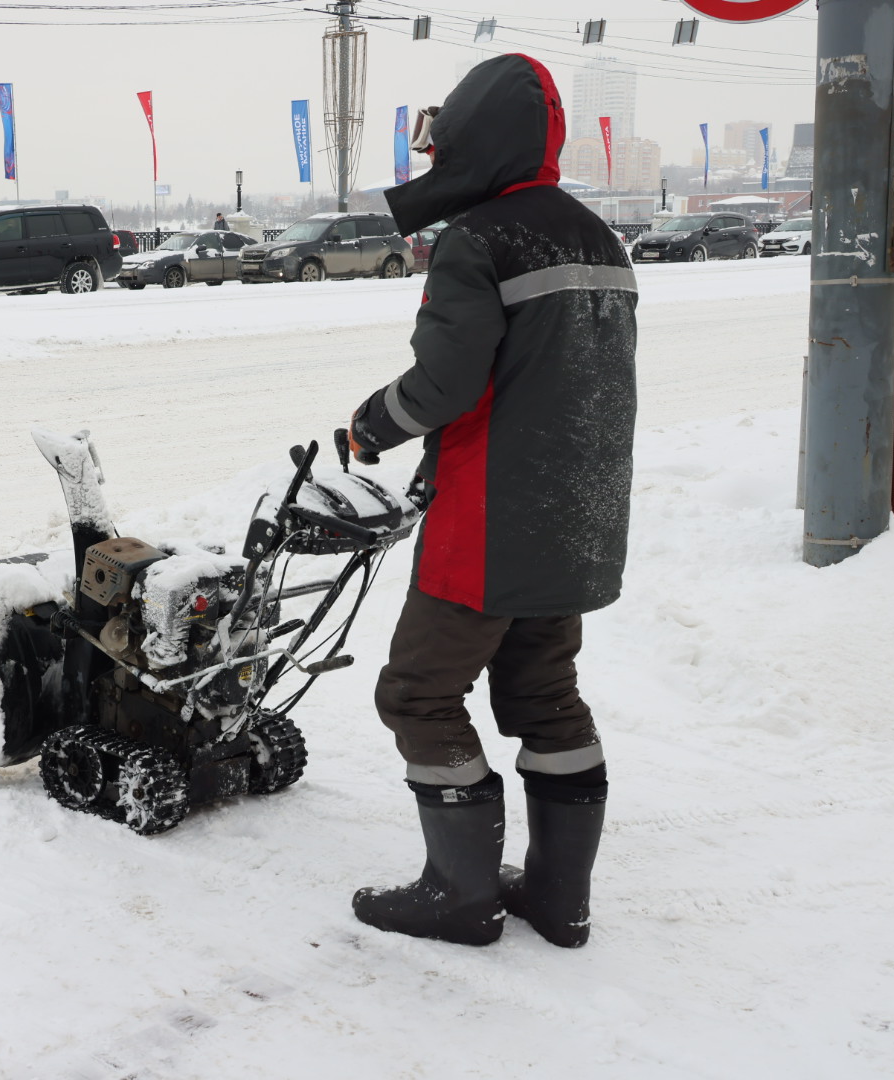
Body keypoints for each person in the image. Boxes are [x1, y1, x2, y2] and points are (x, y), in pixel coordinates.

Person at [344, 53, 638, 948]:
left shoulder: (480, 239)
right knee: (545, 692)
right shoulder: (599, 239)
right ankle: (557, 896)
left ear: (476, 140)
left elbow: (447, 383)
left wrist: (370, 425)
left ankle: (462, 893)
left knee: (418, 693)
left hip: (488, 520)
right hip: (577, 512)